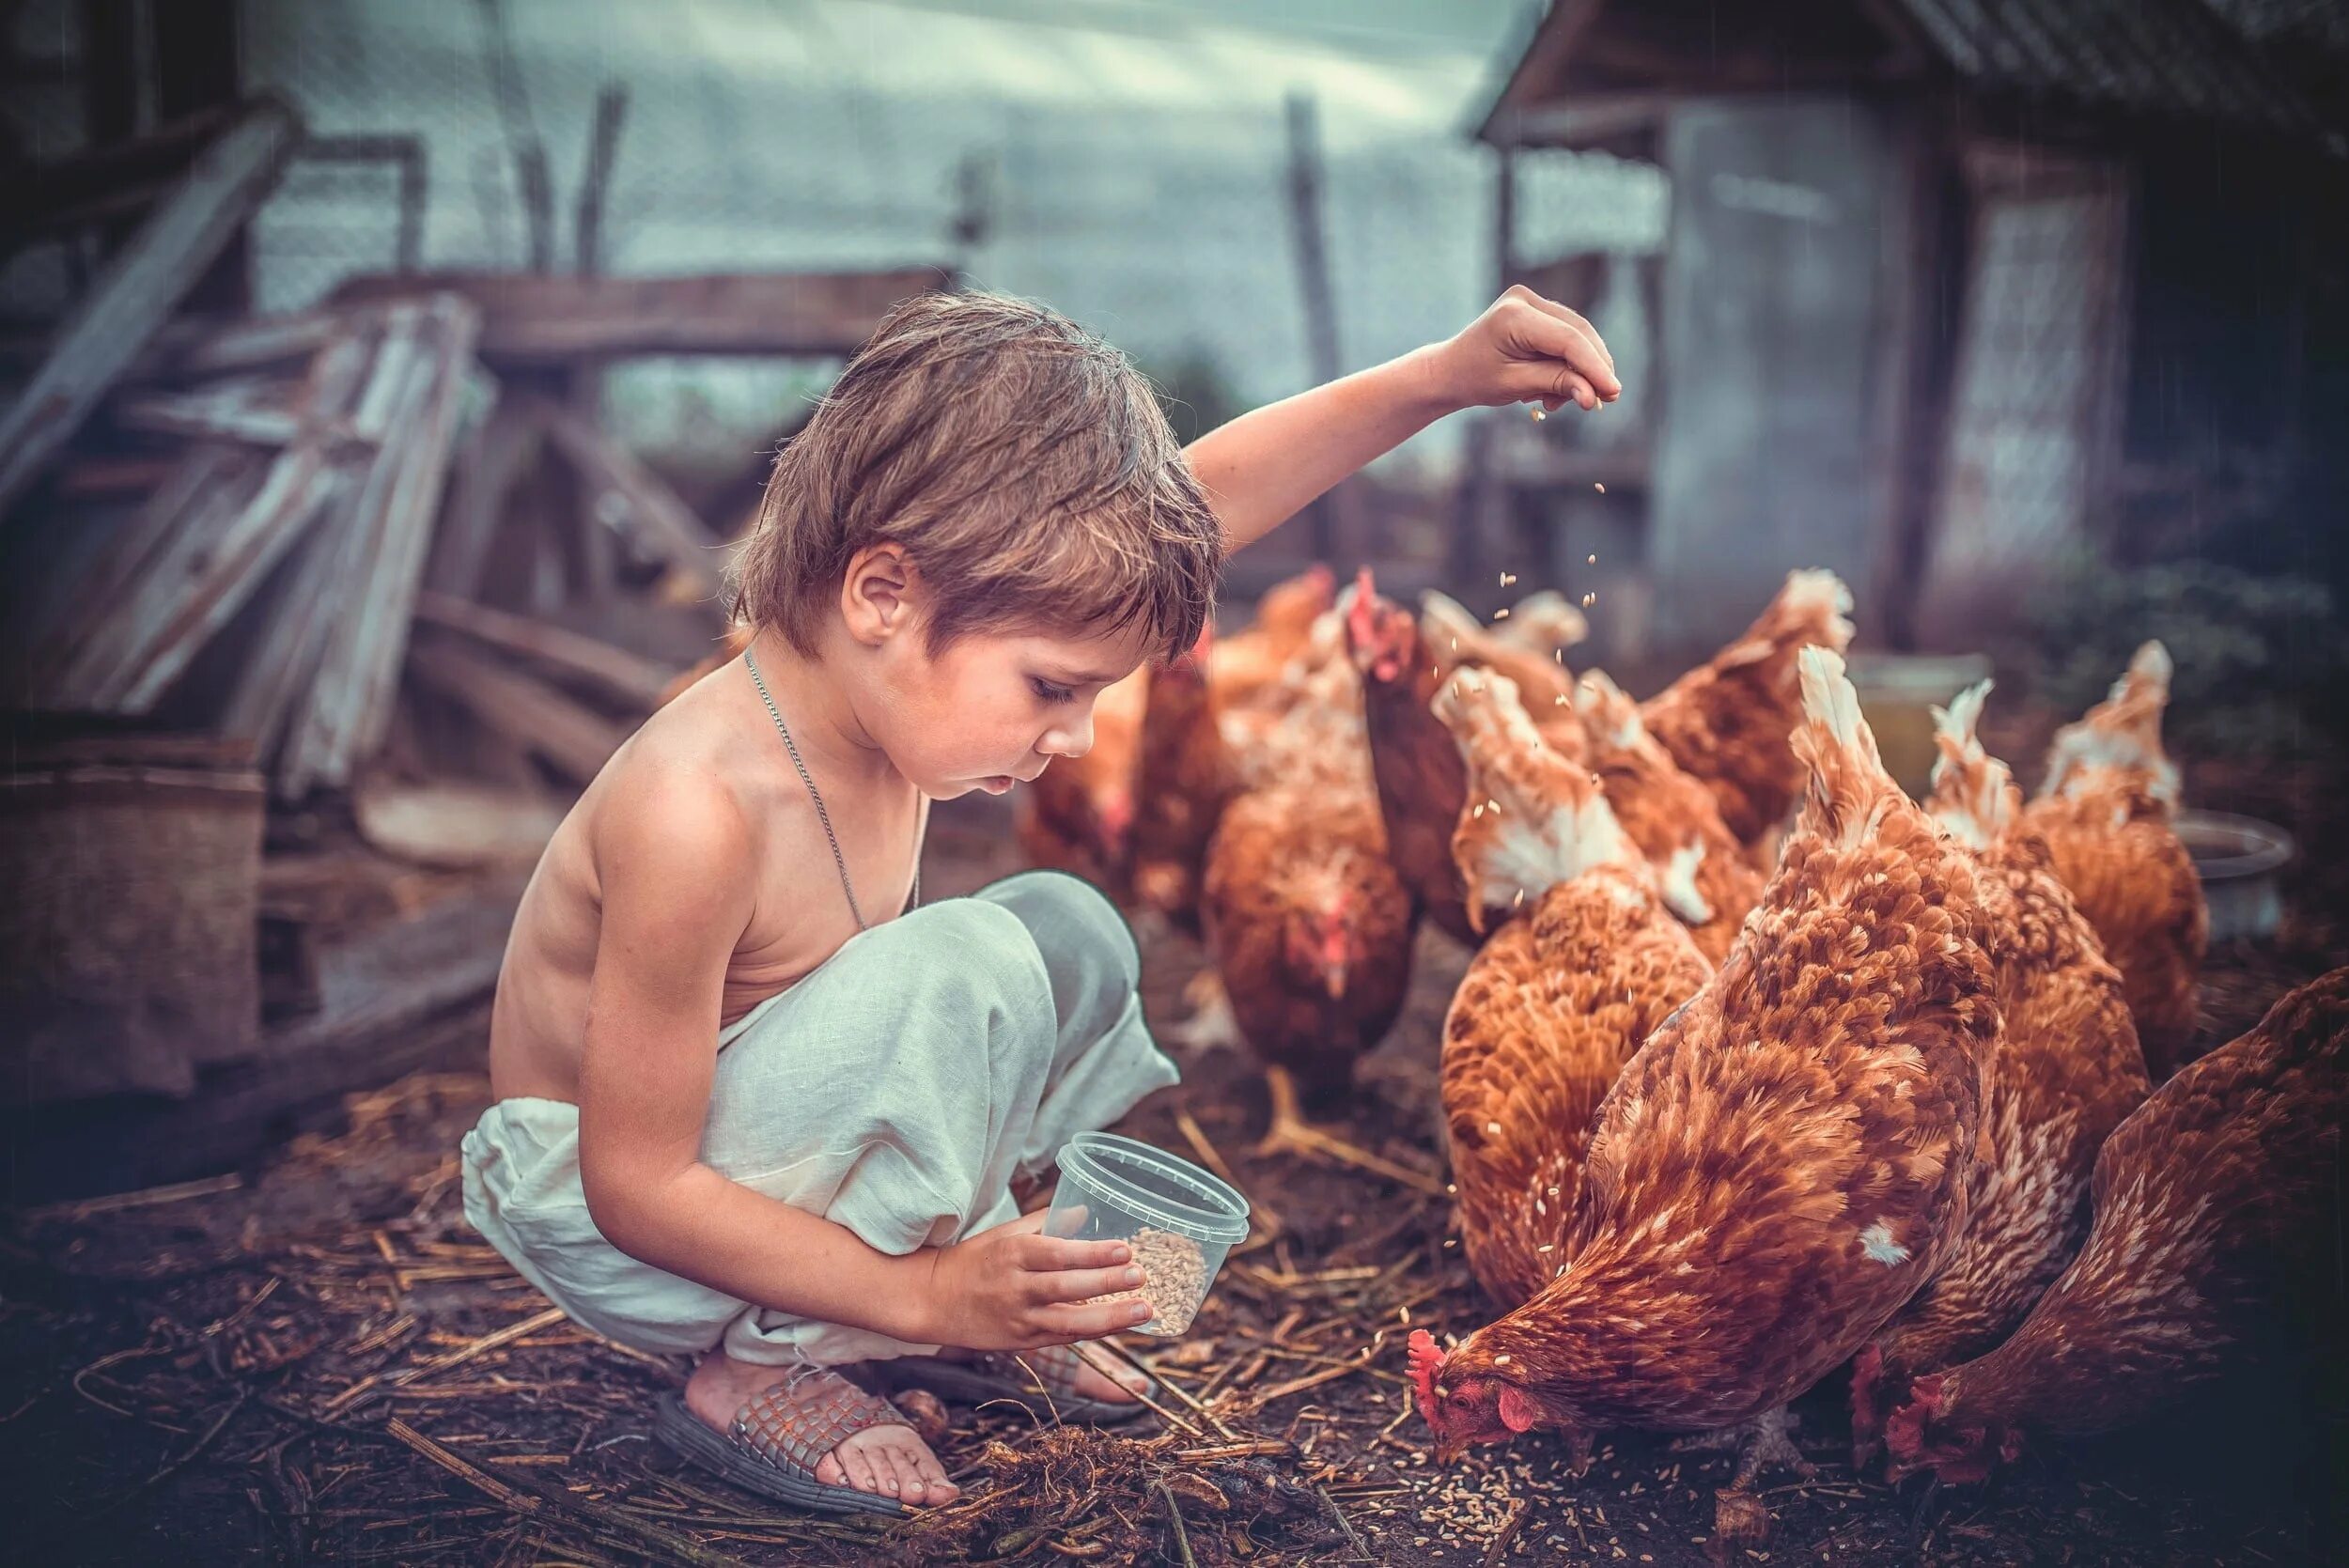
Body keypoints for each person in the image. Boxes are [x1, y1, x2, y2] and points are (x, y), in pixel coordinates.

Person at [461, 285, 1618, 1515]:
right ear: (883, 593)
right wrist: (928, 1292)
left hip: (742, 1154)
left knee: (1072, 935)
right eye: (1051, 686)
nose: (1076, 734)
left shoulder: (870, 686)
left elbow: (1201, 500)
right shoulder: (699, 807)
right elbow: (630, 1184)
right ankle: (762, 1367)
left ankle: (922, 1295)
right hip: (614, 1219)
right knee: (968, 967)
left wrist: (1439, 373)